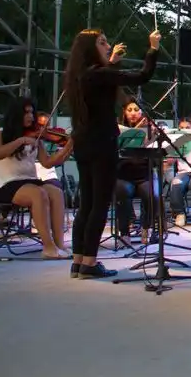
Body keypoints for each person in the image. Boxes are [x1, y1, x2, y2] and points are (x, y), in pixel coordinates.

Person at [64, 28, 159, 279]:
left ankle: (78, 262)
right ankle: (90, 262)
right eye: (102, 42)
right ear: (90, 48)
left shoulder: (79, 75)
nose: (108, 46)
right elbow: (143, 76)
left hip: (83, 142)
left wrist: (113, 62)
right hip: (102, 142)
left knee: (87, 204)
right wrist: (153, 48)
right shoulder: (100, 74)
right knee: (100, 204)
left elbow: (105, 86)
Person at [0, 98, 74, 259]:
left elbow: (47, 163)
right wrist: (21, 140)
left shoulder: (36, 137)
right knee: (38, 194)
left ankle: (59, 244)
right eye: (26, 112)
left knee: (56, 192)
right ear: (16, 114)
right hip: (4, 184)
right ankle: (48, 247)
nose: (31, 116)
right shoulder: (0, 134)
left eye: (32, 112)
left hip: (28, 181)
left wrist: (67, 148)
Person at [114, 98, 154, 246]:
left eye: (136, 110)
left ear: (142, 112)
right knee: (122, 193)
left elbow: (153, 153)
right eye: (129, 110)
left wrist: (152, 138)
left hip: (144, 173)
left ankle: (146, 227)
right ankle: (124, 232)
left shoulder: (149, 128)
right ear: (124, 112)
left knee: (152, 194)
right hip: (123, 174)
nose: (133, 113)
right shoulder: (117, 129)